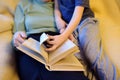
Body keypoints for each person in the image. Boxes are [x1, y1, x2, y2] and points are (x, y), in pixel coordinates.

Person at [12, 0, 89, 80]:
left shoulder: (61, 5)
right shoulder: (23, 4)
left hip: (56, 41)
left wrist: (66, 33)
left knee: (72, 74)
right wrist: (17, 38)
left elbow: (68, 26)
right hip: (32, 43)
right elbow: (17, 33)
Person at [45, 0, 117, 80]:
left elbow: (77, 15)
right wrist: (61, 26)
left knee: (92, 53)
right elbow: (57, 8)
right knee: (78, 61)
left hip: (85, 22)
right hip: (69, 29)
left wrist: (63, 36)